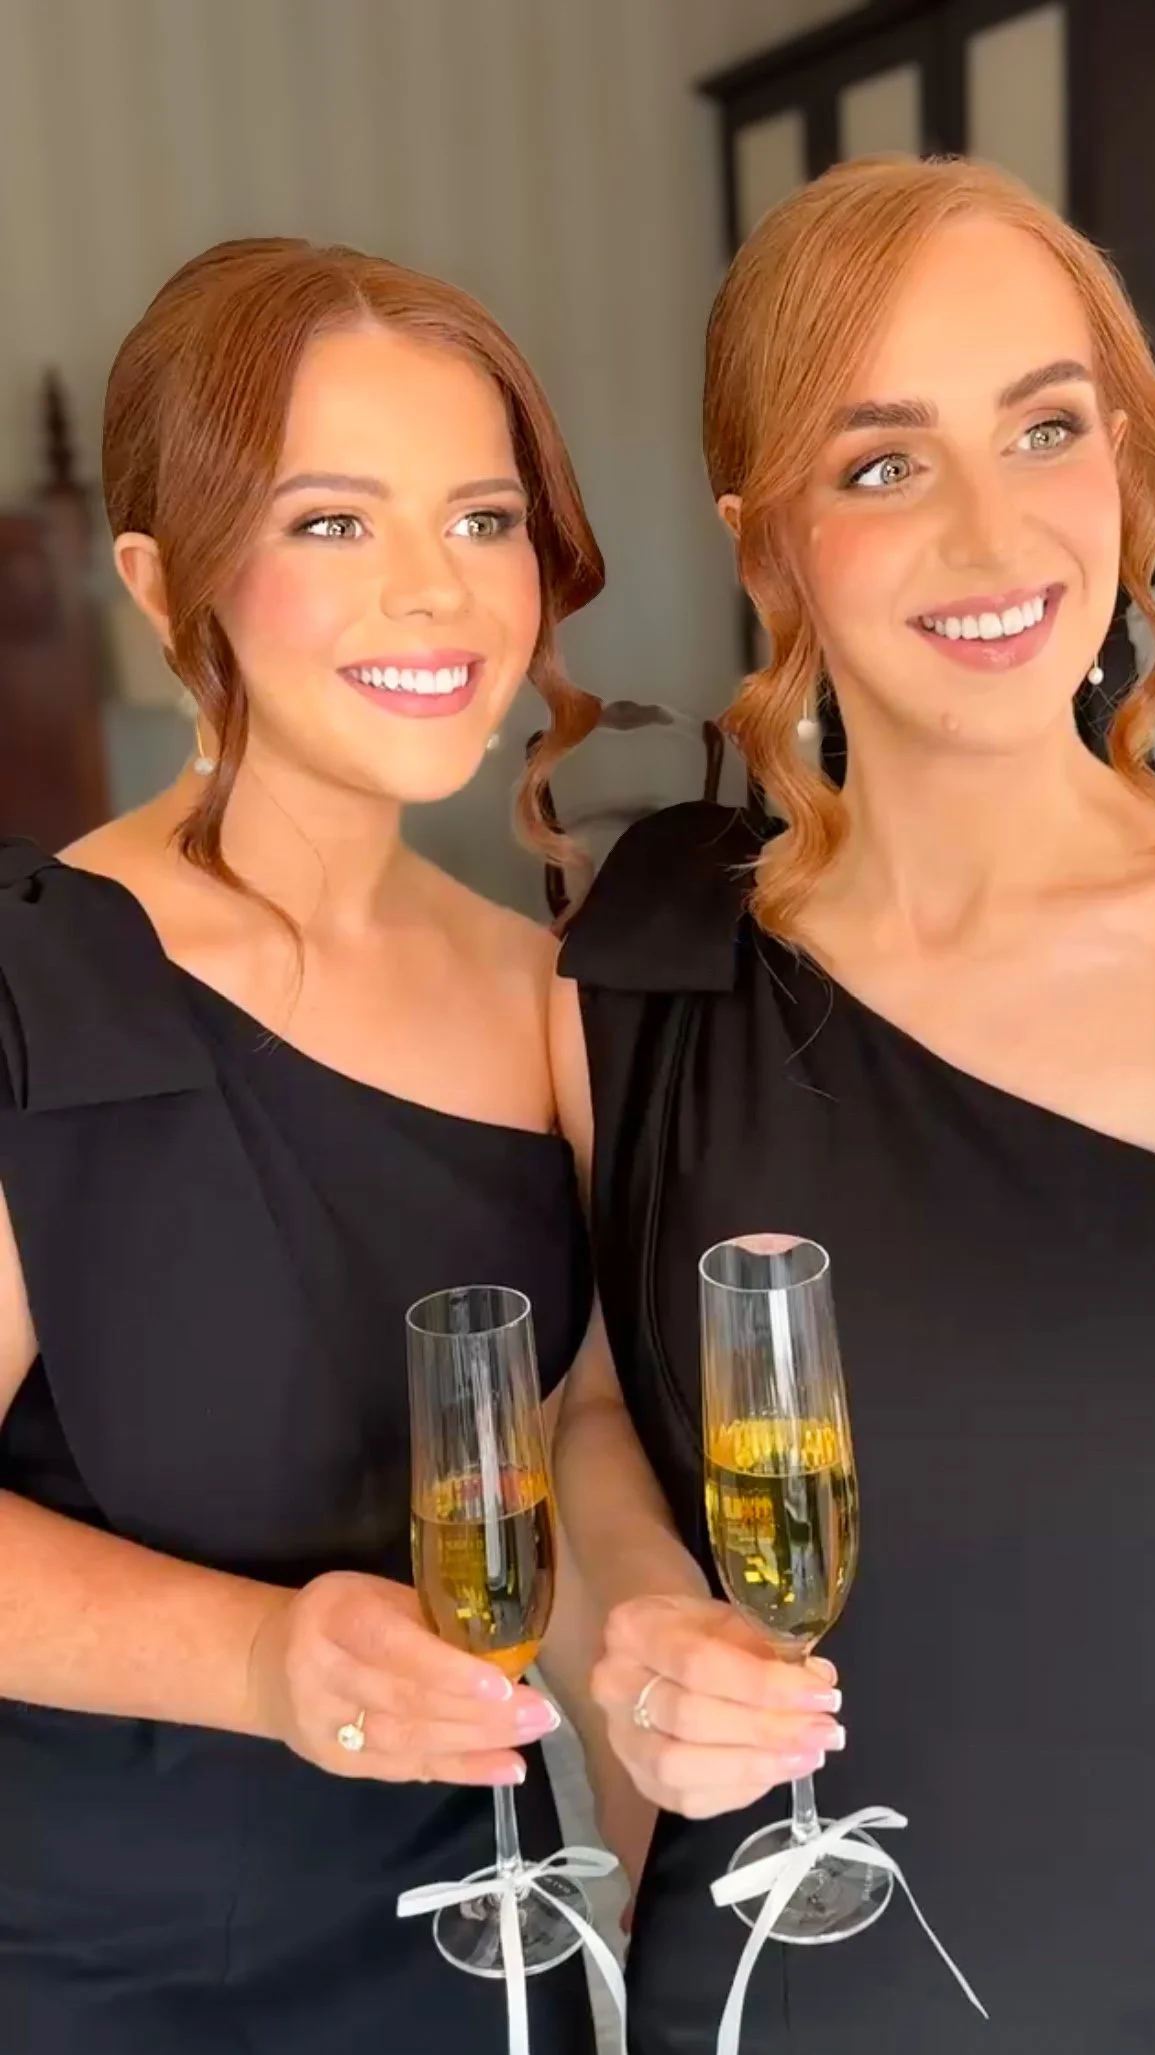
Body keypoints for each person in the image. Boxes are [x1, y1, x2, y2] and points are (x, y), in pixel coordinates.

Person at [549, 157, 1155, 2052]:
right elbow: (575, 1402)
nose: (993, 535)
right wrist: (627, 1629)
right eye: (883, 463)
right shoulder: (641, 948)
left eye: (1045, 427)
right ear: (766, 545)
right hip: (778, 1988)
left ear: (1124, 460)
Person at [0, 236, 619, 2054]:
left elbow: (587, 1452)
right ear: (162, 578)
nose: (435, 594)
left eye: (485, 519)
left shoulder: (558, 996)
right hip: (96, 1977)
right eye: (332, 523)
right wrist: (268, 1662)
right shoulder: (31, 981)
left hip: (473, 1960)